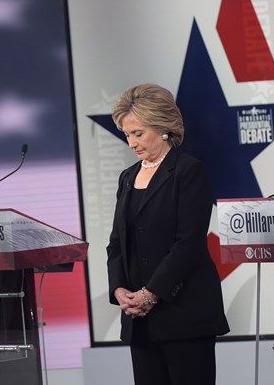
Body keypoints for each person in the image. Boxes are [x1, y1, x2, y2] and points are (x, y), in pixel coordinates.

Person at [106, 83, 229, 385]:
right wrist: (119, 290)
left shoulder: (189, 171)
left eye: (138, 133)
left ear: (163, 128)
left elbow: (188, 243)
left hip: (184, 313)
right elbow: (116, 243)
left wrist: (151, 294)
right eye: (126, 135)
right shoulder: (127, 177)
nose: (131, 143)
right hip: (140, 319)